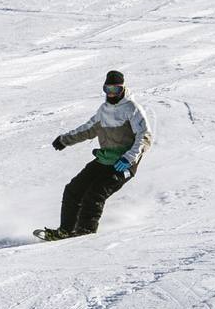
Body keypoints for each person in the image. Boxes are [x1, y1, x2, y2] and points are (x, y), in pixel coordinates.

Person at [41, 69, 154, 240]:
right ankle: (66, 230)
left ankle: (85, 234)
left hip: (123, 163)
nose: (111, 94)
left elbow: (145, 136)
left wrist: (129, 158)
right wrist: (65, 140)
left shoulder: (132, 108)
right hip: (104, 159)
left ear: (122, 89)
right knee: (73, 189)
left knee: (95, 194)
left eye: (115, 90)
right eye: (108, 89)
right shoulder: (104, 110)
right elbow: (88, 128)